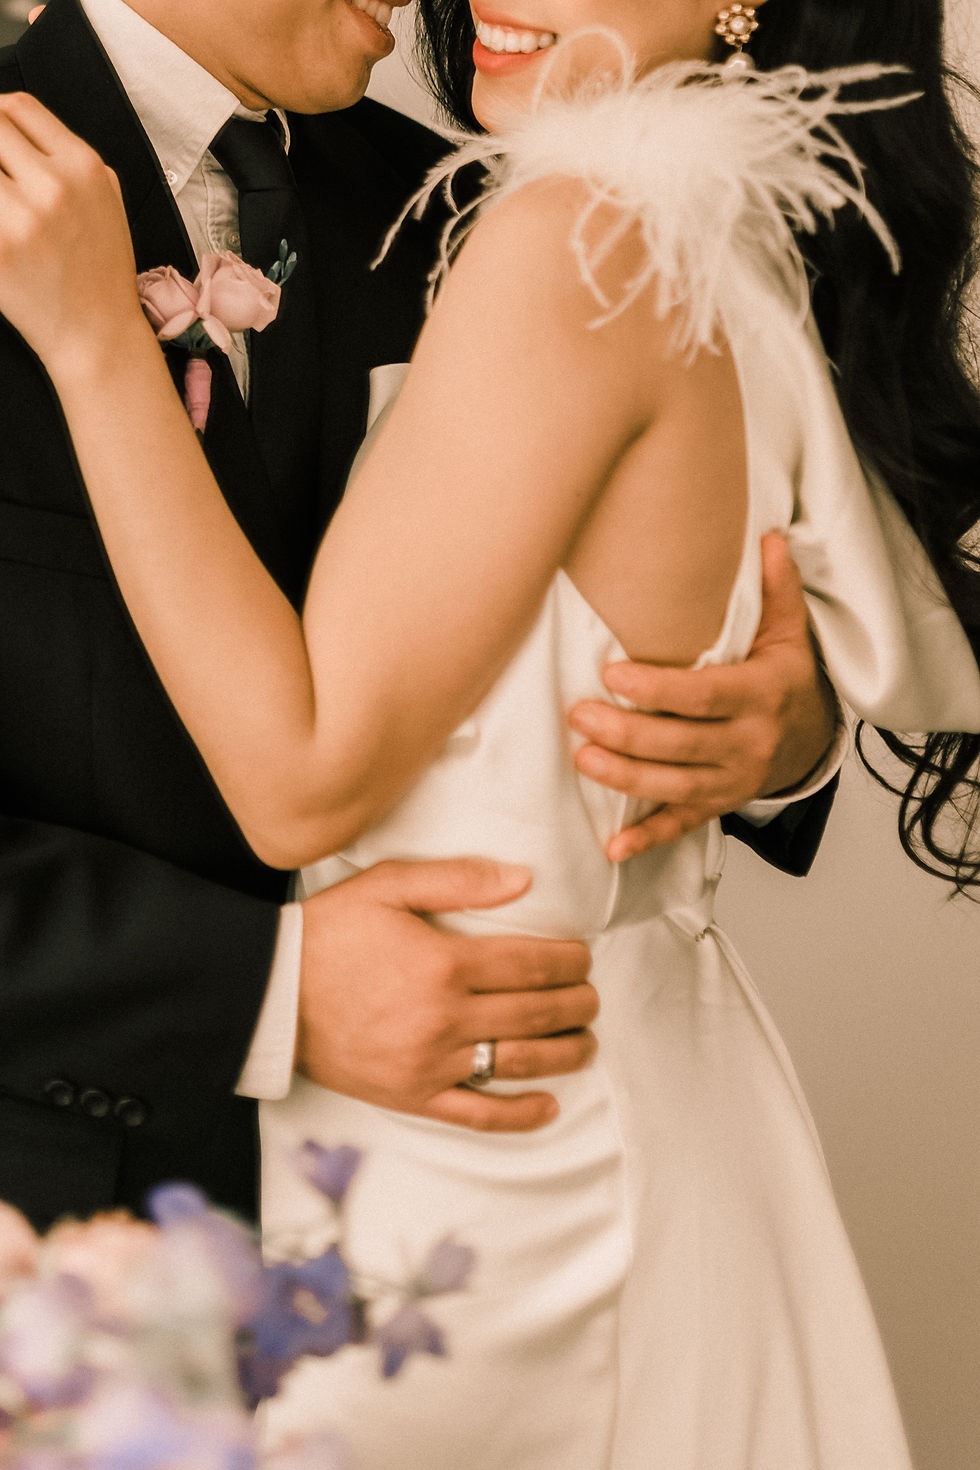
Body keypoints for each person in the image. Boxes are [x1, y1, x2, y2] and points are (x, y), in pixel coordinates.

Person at [5, 2, 979, 1467]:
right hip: (72, 1233)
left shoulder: (481, 199)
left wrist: (783, 723)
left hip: (495, 1204)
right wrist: (266, 989)